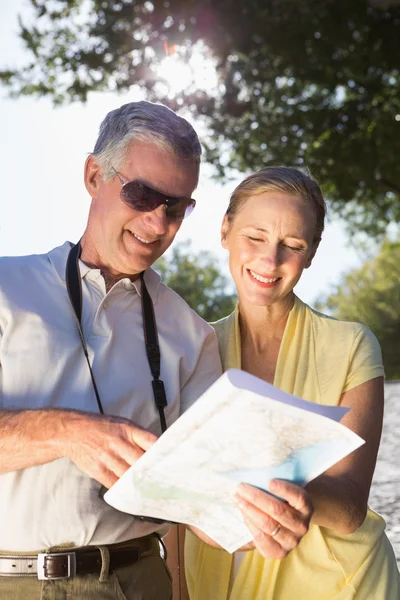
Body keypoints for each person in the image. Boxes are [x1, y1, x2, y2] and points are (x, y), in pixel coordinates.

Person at [0, 100, 225, 600]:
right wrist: (66, 432)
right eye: (142, 194)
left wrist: (253, 513)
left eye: (176, 207)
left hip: (141, 581)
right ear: (93, 174)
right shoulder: (4, 285)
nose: (157, 223)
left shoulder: (193, 334)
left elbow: (206, 501)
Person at [185, 166, 400, 600]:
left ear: (313, 252)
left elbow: (350, 508)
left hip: (340, 584)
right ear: (225, 230)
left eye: (293, 245)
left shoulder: (352, 345)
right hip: (209, 583)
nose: (270, 259)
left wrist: (275, 489)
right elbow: (173, 508)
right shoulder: (188, 348)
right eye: (255, 237)